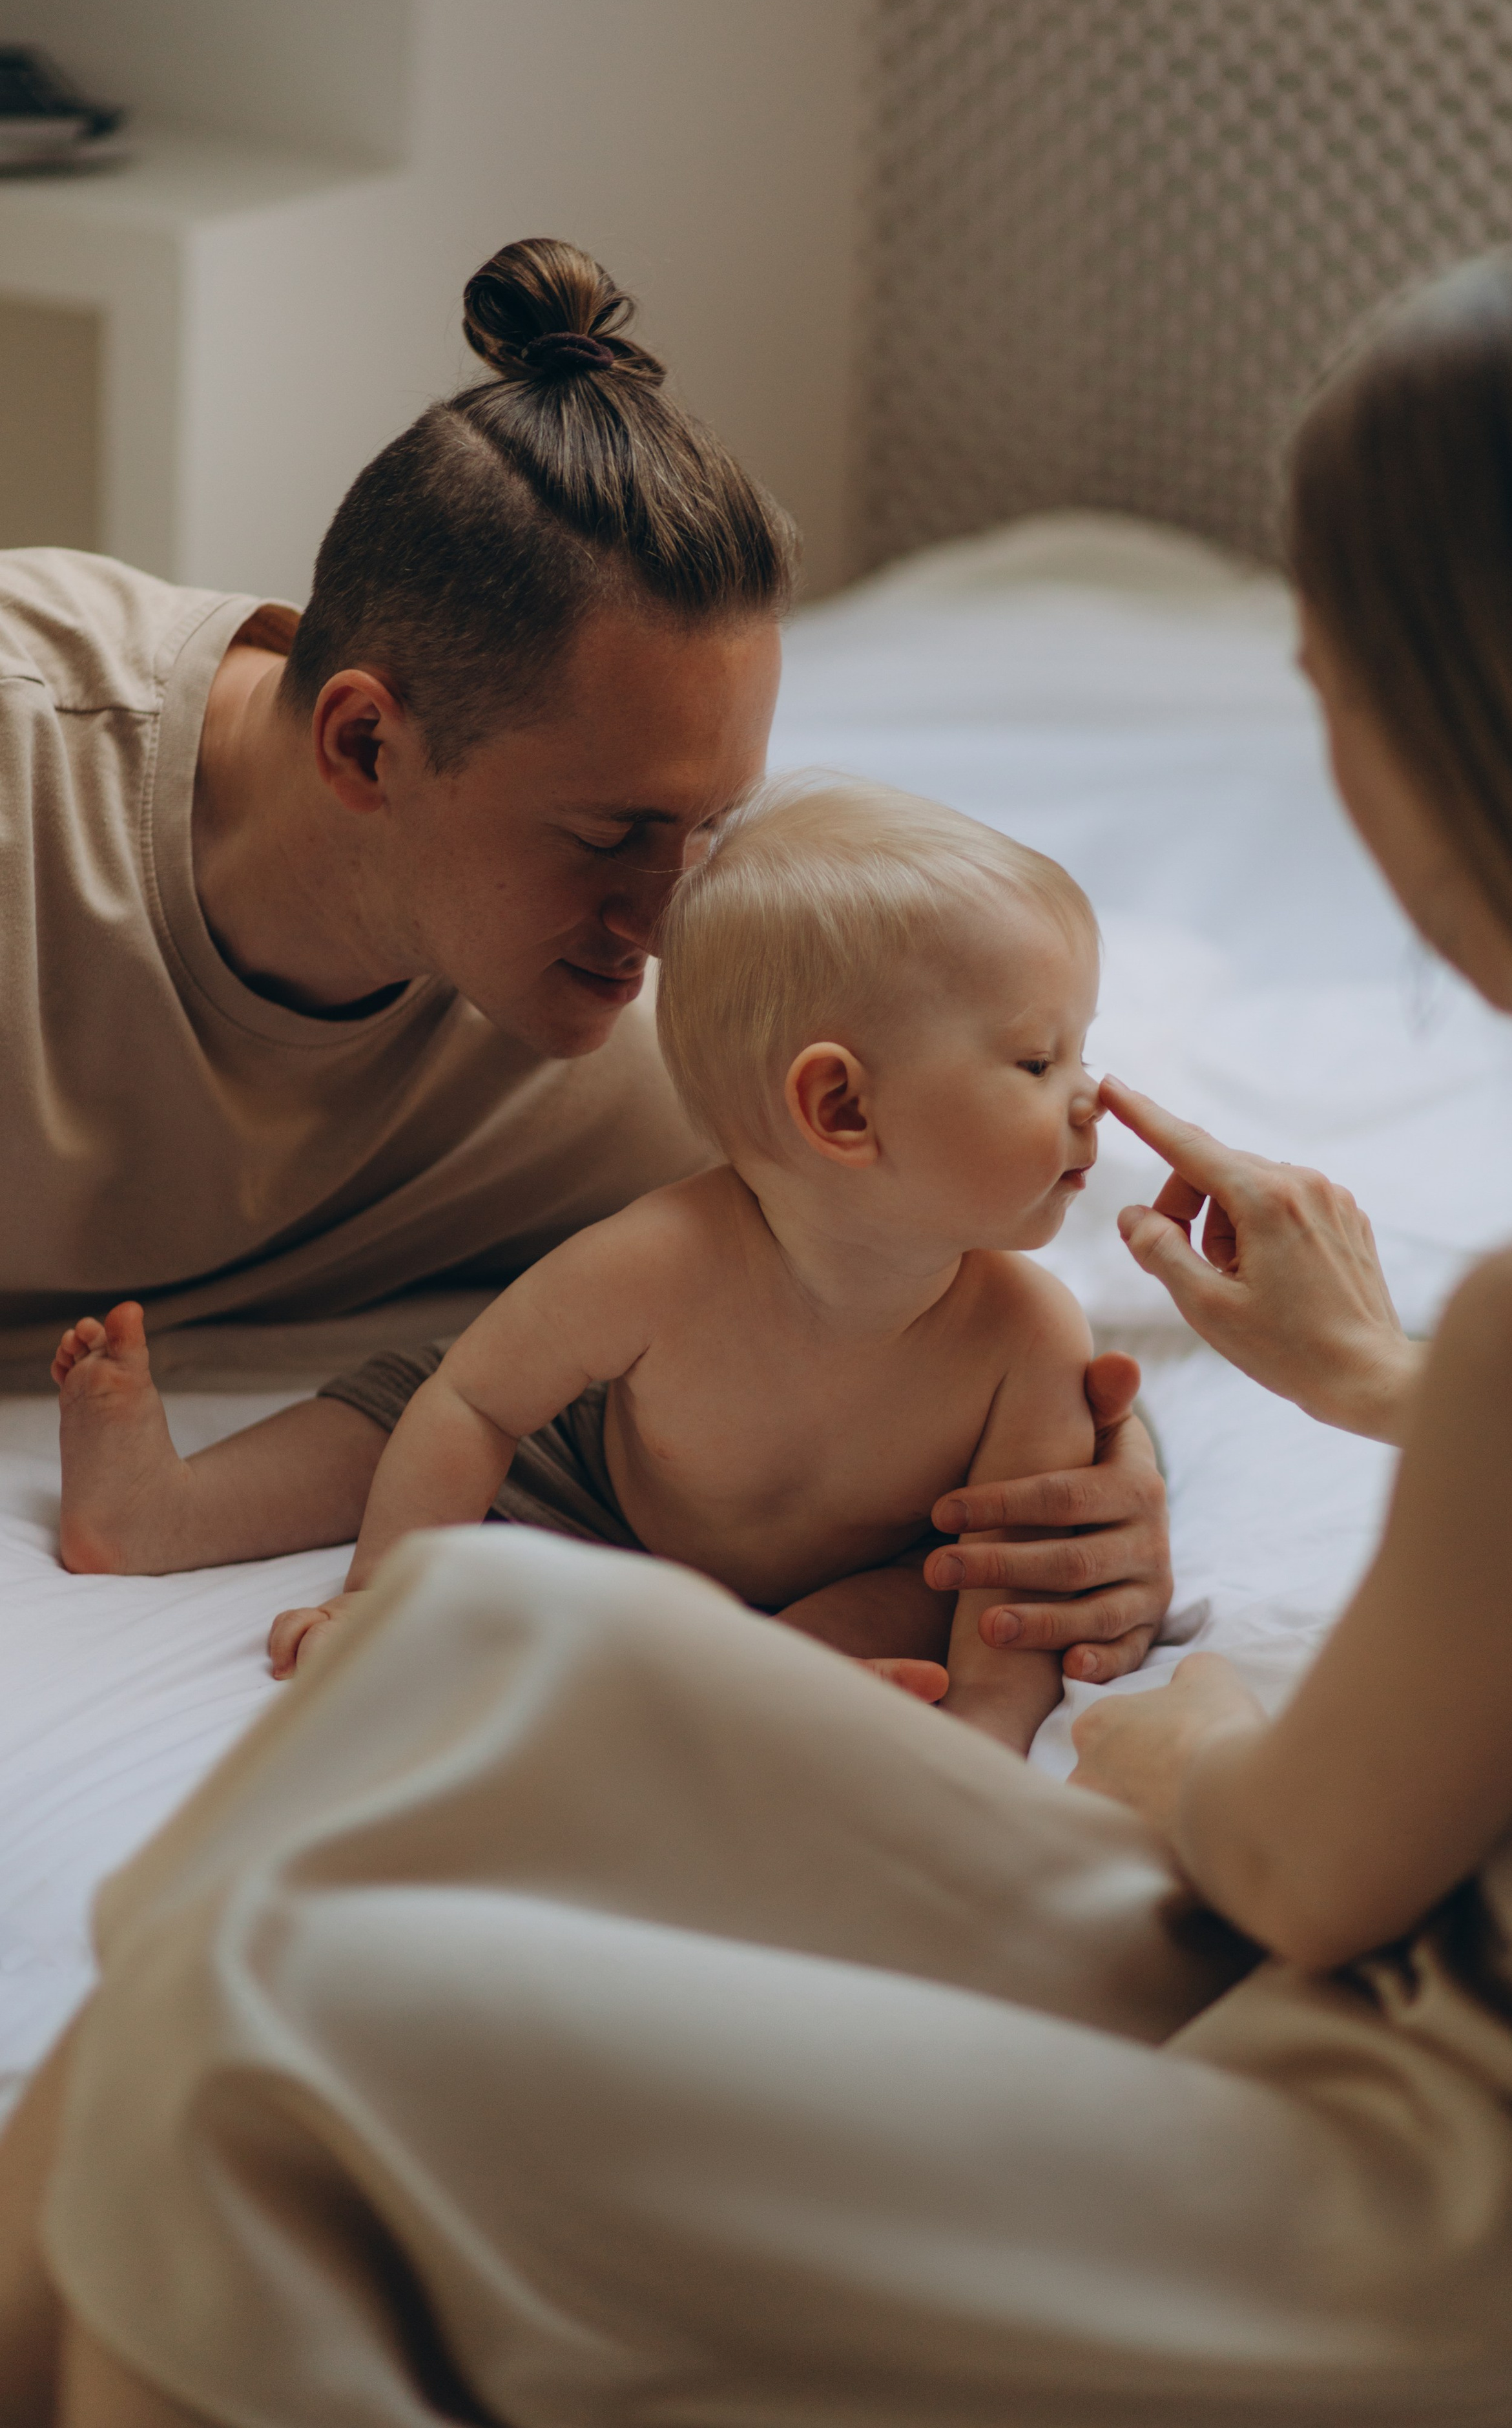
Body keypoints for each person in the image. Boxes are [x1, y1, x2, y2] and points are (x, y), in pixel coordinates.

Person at [23, 232, 1512, 2427]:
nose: (671, 916)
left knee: (265, 2012)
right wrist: (1377, 1383)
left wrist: (1180, 1718)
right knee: (472, 1643)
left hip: (1454, 2126)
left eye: (1332, 688)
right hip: (1402, 1971)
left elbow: (1295, 1835)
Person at [10, 227, 1178, 1681]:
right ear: (366, 742)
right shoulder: (30, 807)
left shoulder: (654, 1050)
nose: (672, 914)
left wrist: (1098, 1493)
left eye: (710, 824)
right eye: (612, 831)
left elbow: (932, 1228)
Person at [55, 784, 1112, 1752]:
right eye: (1036, 1060)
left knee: (936, 1585)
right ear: (842, 1109)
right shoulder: (657, 1262)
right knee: (412, 1406)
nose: (1091, 1097)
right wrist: (386, 1592)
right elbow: (474, 1401)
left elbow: (1015, 1587)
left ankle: (773, 1686)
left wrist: (988, 1726)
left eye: (1084, 1048)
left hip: (856, 1568)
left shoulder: (1029, 1338)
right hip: (593, 1487)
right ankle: (167, 1509)